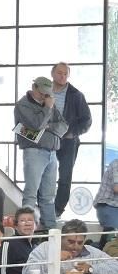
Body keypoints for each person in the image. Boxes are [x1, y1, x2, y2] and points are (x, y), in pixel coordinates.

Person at [14, 76, 68, 230]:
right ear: (34, 87)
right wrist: (47, 109)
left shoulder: (49, 103)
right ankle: (26, 229)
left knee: (49, 196)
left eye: (47, 93)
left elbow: (64, 126)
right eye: (42, 92)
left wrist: (48, 126)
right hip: (34, 152)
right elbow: (37, 125)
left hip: (51, 152)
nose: (44, 95)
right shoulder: (23, 105)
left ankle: (51, 230)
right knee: (31, 192)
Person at [23, 219, 118, 274]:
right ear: (61, 238)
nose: (75, 246)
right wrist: (53, 259)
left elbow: (116, 267)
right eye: (71, 242)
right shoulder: (45, 248)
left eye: (80, 243)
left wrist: (91, 269)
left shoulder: (90, 252)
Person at [50, 62, 92, 218]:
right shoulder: (45, 92)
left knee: (65, 176)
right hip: (48, 139)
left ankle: (58, 209)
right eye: (59, 73)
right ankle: (44, 206)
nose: (62, 76)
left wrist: (72, 133)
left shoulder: (76, 95)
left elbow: (87, 121)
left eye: (65, 74)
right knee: (45, 173)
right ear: (52, 74)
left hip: (68, 141)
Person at [0, 207, 39, 274]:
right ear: (16, 225)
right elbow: (0, 273)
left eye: (30, 220)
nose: (27, 223)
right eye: (22, 220)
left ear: (36, 225)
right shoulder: (9, 243)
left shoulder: (36, 246)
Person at [94, 159, 118, 233]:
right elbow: (116, 188)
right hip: (108, 205)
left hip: (114, 207)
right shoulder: (116, 164)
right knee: (113, 238)